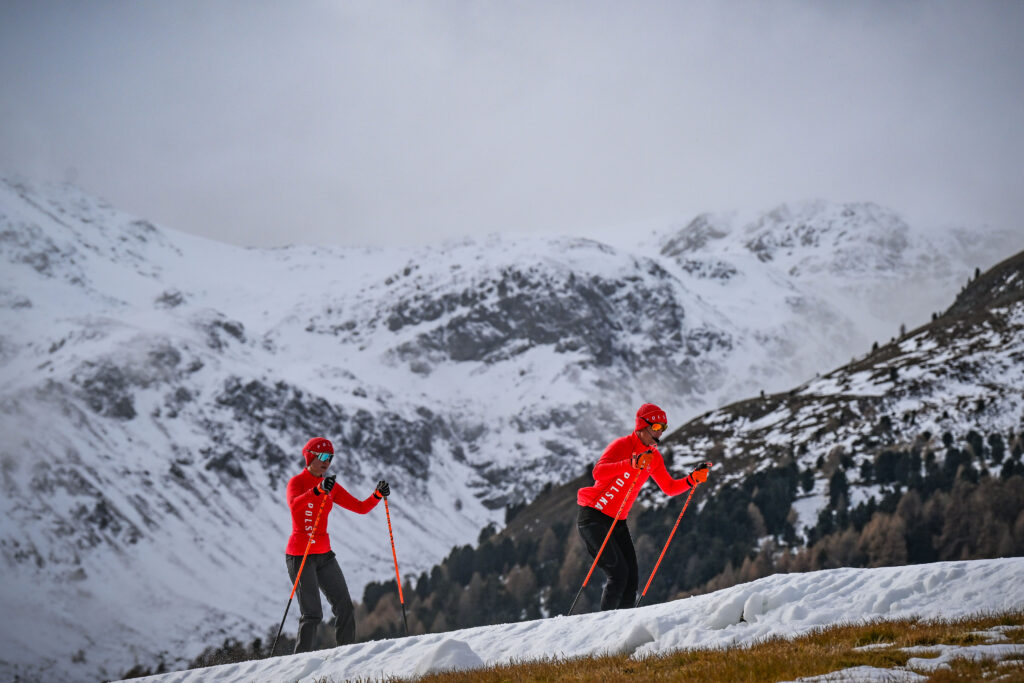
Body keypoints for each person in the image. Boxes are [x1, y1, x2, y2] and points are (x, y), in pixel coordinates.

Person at [576, 403, 711, 611]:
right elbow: (598, 473)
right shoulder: (622, 445)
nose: (660, 433)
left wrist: (692, 480)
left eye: (663, 428)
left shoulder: (653, 457)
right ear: (642, 425)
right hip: (594, 516)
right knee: (618, 573)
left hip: (617, 521)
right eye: (657, 427)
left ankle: (625, 628)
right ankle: (602, 628)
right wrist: (631, 464)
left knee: (631, 578)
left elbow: (669, 487)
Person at [285, 436, 390, 652]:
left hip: (324, 554)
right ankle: (297, 663)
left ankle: (345, 656)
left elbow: (360, 508)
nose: (327, 461)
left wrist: (377, 495)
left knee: (345, 608)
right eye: (322, 456)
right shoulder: (297, 482)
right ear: (310, 457)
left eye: (330, 457)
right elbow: (295, 506)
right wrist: (317, 491)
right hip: (300, 555)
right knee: (312, 614)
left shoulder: (330, 486)